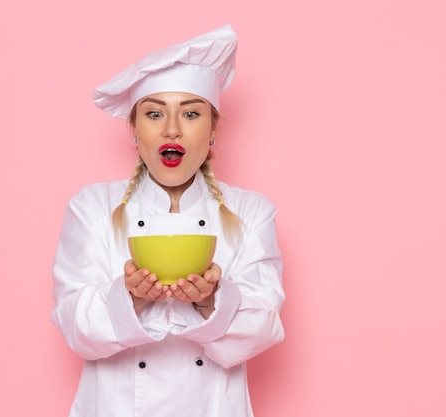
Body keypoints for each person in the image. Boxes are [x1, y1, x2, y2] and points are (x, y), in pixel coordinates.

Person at [51, 24, 285, 417]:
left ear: (212, 131)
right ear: (134, 129)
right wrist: (132, 298)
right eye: (154, 113)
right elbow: (74, 325)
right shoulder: (91, 207)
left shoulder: (251, 212)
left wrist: (212, 299)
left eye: (191, 113)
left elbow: (263, 327)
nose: (171, 129)